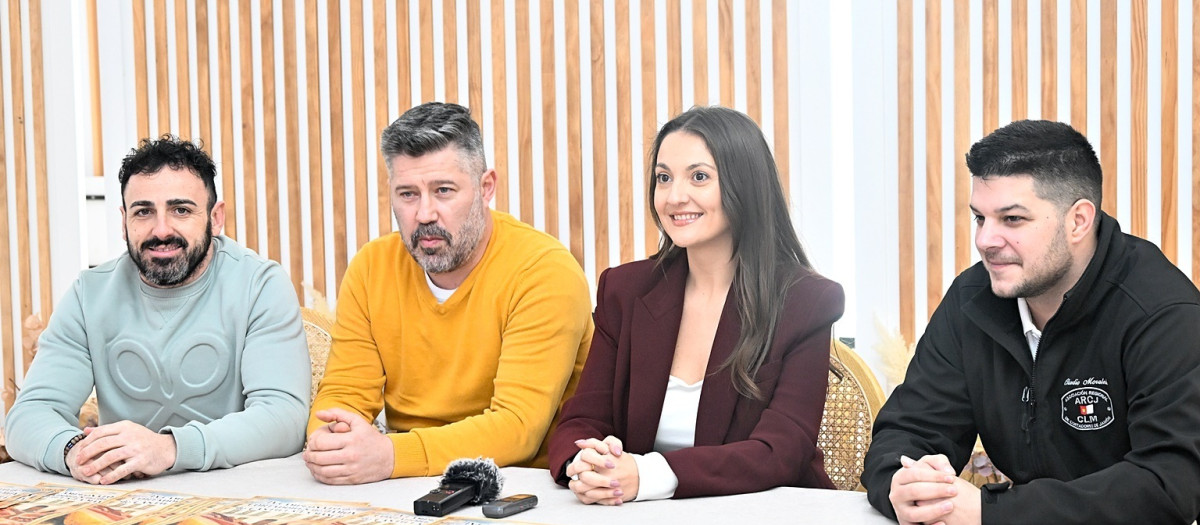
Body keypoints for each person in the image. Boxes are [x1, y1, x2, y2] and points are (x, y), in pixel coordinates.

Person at [862, 120, 1200, 524]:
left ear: (1078, 221)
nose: (985, 240)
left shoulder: (1161, 313)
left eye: (1012, 219)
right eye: (979, 218)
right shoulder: (972, 300)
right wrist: (904, 483)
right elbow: (909, 430)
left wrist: (996, 514)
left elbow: (1169, 484)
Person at [547, 106, 845, 504]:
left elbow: (780, 451)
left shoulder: (806, 302)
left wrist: (648, 476)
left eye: (699, 177)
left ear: (745, 186)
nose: (674, 197)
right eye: (663, 178)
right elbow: (582, 420)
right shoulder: (624, 290)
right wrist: (587, 461)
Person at [303, 102, 593, 484]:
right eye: (408, 194)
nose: (425, 214)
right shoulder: (371, 268)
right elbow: (344, 391)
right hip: (403, 482)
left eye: (443, 191)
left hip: (520, 484)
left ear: (486, 188)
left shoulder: (543, 271)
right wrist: (331, 441)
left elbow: (519, 429)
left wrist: (391, 455)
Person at [4, 136, 310, 485]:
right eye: (144, 211)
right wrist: (75, 451)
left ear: (216, 217)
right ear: (123, 222)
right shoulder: (89, 294)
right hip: (123, 497)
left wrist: (169, 449)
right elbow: (29, 414)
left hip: (235, 491)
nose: (161, 230)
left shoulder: (260, 284)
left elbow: (284, 418)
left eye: (181, 210)